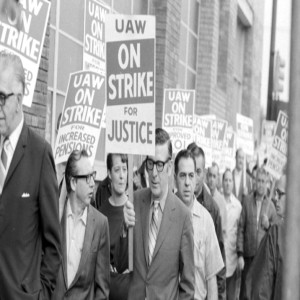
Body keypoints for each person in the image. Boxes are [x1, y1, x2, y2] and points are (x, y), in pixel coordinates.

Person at [0, 51, 61, 299]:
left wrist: (40, 295)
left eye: (2, 97)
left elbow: (53, 245)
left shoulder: (39, 154)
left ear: (21, 97)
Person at [115, 128, 195, 300]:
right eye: (150, 164)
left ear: (170, 165)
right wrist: (124, 229)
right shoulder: (134, 201)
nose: (154, 173)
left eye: (159, 165)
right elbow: (120, 264)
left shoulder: (183, 216)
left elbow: (188, 285)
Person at [52, 150, 110, 299]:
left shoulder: (100, 224)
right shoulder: (55, 217)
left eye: (93, 175)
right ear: (72, 182)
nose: (92, 183)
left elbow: (102, 289)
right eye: (87, 178)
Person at [174, 149, 224, 300]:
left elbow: (211, 277)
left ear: (196, 178)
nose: (187, 182)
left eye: (191, 175)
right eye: (182, 175)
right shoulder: (164, 215)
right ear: (175, 177)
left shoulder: (206, 220)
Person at [187, 142, 226, 300]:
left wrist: (220, 296)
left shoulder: (212, 210)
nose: (194, 178)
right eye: (190, 172)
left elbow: (218, 261)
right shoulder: (173, 205)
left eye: (198, 171)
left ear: (204, 172)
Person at [237, 167, 277, 299]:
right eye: (258, 180)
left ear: (267, 184)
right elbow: (241, 228)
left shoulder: (271, 206)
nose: (260, 184)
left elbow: (275, 233)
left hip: (263, 259)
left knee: (258, 292)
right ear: (255, 182)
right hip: (248, 257)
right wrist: (240, 254)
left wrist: (268, 225)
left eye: (263, 181)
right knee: (245, 292)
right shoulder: (247, 201)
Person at [245, 175, 287, 300]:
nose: (275, 198)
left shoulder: (276, 233)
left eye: (280, 194)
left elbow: (261, 289)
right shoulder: (247, 201)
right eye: (275, 193)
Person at [99, 153, 131, 300]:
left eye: (124, 169)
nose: (122, 176)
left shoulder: (134, 209)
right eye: (117, 170)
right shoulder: (101, 214)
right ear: (109, 174)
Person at [222, 169, 242, 300]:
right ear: (222, 182)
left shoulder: (238, 206)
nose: (228, 183)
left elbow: (240, 231)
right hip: (219, 258)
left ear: (233, 183)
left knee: (231, 296)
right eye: (226, 180)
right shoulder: (217, 202)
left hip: (233, 259)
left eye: (230, 180)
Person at [207, 162, 227, 238]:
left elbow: (223, 230)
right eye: (210, 175)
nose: (212, 179)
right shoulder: (201, 196)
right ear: (206, 176)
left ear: (218, 178)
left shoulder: (221, 201)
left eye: (214, 176)